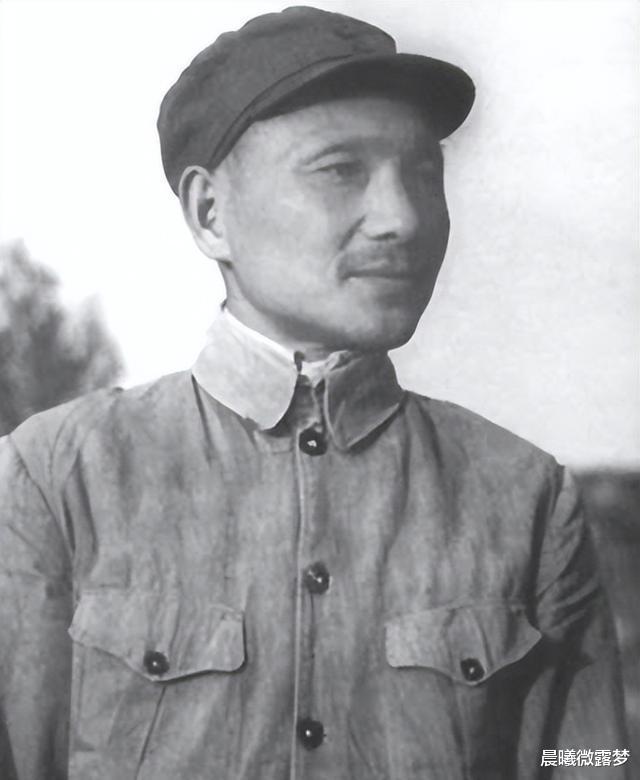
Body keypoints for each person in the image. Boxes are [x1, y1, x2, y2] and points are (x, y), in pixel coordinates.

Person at [0, 6, 628, 780]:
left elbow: (593, 759)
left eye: (424, 174)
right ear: (210, 214)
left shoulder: (528, 501)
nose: (403, 219)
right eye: (340, 171)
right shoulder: (54, 482)